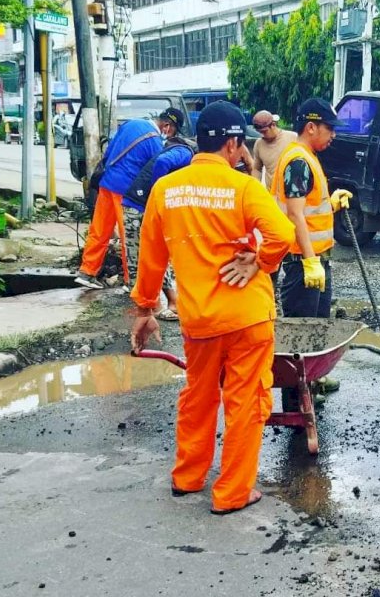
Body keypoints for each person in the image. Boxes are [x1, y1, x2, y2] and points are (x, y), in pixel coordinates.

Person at [130, 102, 295, 515]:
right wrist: (260, 260)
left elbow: (151, 257)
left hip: (199, 319)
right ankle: (232, 493)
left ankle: (187, 477)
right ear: (234, 143)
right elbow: (283, 234)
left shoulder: (166, 189)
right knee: (245, 402)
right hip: (247, 319)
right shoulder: (243, 187)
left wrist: (145, 310)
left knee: (198, 396)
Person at [269, 97, 352, 396]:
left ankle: (312, 381)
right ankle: (296, 403)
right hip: (301, 262)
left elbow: (307, 209)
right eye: (330, 129)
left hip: (316, 259)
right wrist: (308, 260)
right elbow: (293, 213)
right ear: (311, 127)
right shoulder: (298, 161)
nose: (333, 135)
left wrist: (332, 203)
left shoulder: (307, 157)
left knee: (316, 326)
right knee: (300, 334)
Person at [123, 108, 195, 320]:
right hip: (138, 207)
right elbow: (163, 164)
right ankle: (155, 307)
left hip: (138, 206)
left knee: (156, 256)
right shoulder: (186, 152)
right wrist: (159, 195)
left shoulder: (177, 148)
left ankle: (167, 304)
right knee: (146, 258)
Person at [75, 118, 162, 289]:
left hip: (107, 184)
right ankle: (131, 280)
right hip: (125, 190)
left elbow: (108, 152)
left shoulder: (129, 125)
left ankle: (87, 272)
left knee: (99, 230)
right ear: (166, 126)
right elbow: (155, 170)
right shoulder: (155, 141)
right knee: (128, 235)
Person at [251, 110, 297, 187]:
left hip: (292, 193)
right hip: (271, 194)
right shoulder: (259, 144)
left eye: (264, 132)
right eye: (260, 132)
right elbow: (257, 169)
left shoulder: (293, 138)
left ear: (273, 125)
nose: (262, 135)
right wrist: (256, 187)